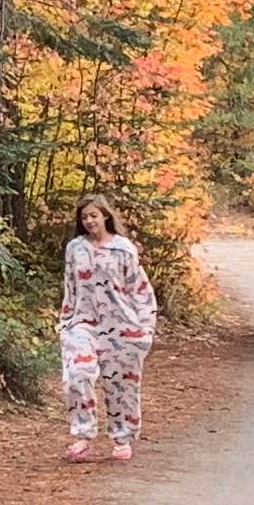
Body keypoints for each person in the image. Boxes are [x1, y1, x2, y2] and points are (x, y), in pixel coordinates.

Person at [58, 195, 157, 462]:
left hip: (122, 325)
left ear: (105, 216)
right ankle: (83, 434)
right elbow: (70, 286)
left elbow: (138, 287)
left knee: (121, 385)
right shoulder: (75, 248)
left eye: (94, 215)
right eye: (84, 217)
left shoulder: (123, 249)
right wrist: (66, 322)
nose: (89, 221)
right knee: (78, 373)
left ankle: (122, 438)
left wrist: (146, 326)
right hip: (83, 322)